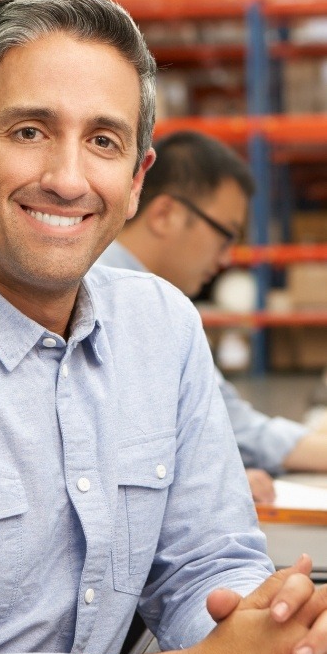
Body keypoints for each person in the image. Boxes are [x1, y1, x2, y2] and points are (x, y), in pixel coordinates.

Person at [0, 0, 327, 654]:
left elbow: (206, 562)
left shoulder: (163, 329)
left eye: (103, 141)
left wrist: (272, 638)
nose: (69, 178)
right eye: (29, 131)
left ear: (138, 181)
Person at [98, 130, 327, 504]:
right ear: (165, 214)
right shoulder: (114, 300)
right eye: (225, 236)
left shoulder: (160, 307)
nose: (225, 260)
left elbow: (220, 419)